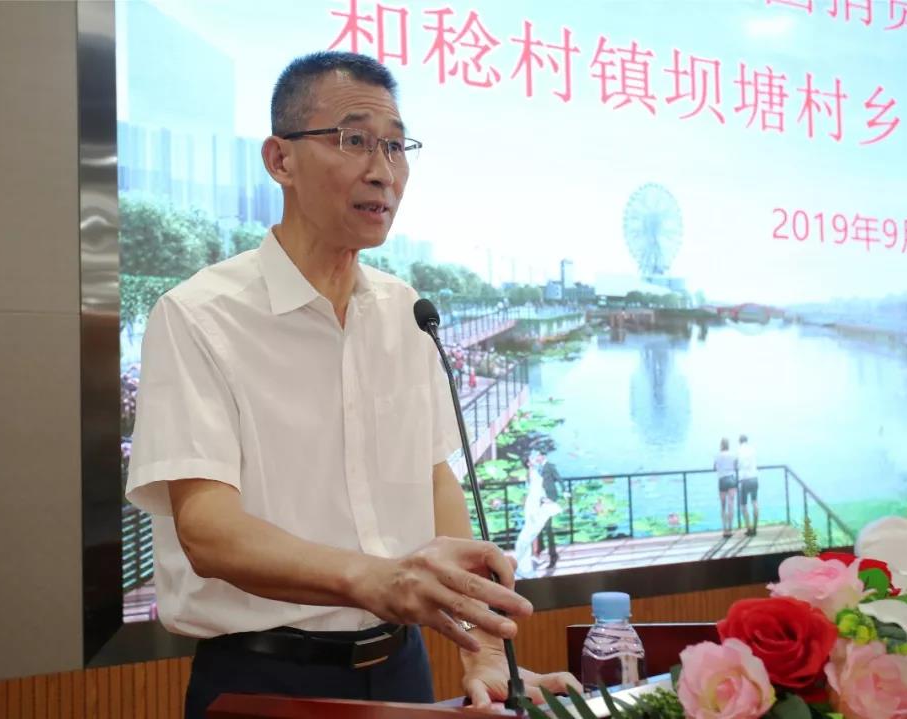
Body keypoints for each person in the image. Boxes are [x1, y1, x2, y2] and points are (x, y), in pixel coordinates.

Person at [125, 51, 578, 718]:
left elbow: (434, 481)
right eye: (354, 140)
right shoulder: (199, 315)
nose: (383, 170)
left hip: (402, 666)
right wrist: (378, 579)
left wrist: (483, 647)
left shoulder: (406, 312)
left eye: (396, 146)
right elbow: (207, 529)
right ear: (280, 160)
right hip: (266, 677)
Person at [514, 452, 563, 579]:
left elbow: (538, 490)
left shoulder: (535, 471)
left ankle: (527, 561)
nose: (535, 459)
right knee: (531, 531)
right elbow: (533, 490)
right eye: (532, 458)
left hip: (536, 502)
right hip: (532, 504)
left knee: (533, 532)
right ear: (529, 463)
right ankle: (523, 565)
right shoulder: (532, 472)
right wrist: (541, 500)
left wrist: (544, 499)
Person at [736, 434, 759, 536]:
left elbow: (737, 465)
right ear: (747, 440)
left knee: (744, 505)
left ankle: (749, 528)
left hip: (744, 480)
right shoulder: (752, 449)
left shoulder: (738, 451)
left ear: (739, 441)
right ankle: (755, 527)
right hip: (754, 478)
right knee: (754, 502)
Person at [714, 437, 738, 538]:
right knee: (731, 505)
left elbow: (714, 468)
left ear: (721, 445)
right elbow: (736, 466)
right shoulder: (733, 454)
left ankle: (724, 530)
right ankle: (730, 528)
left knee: (723, 506)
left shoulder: (718, 455)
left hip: (722, 480)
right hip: (731, 479)